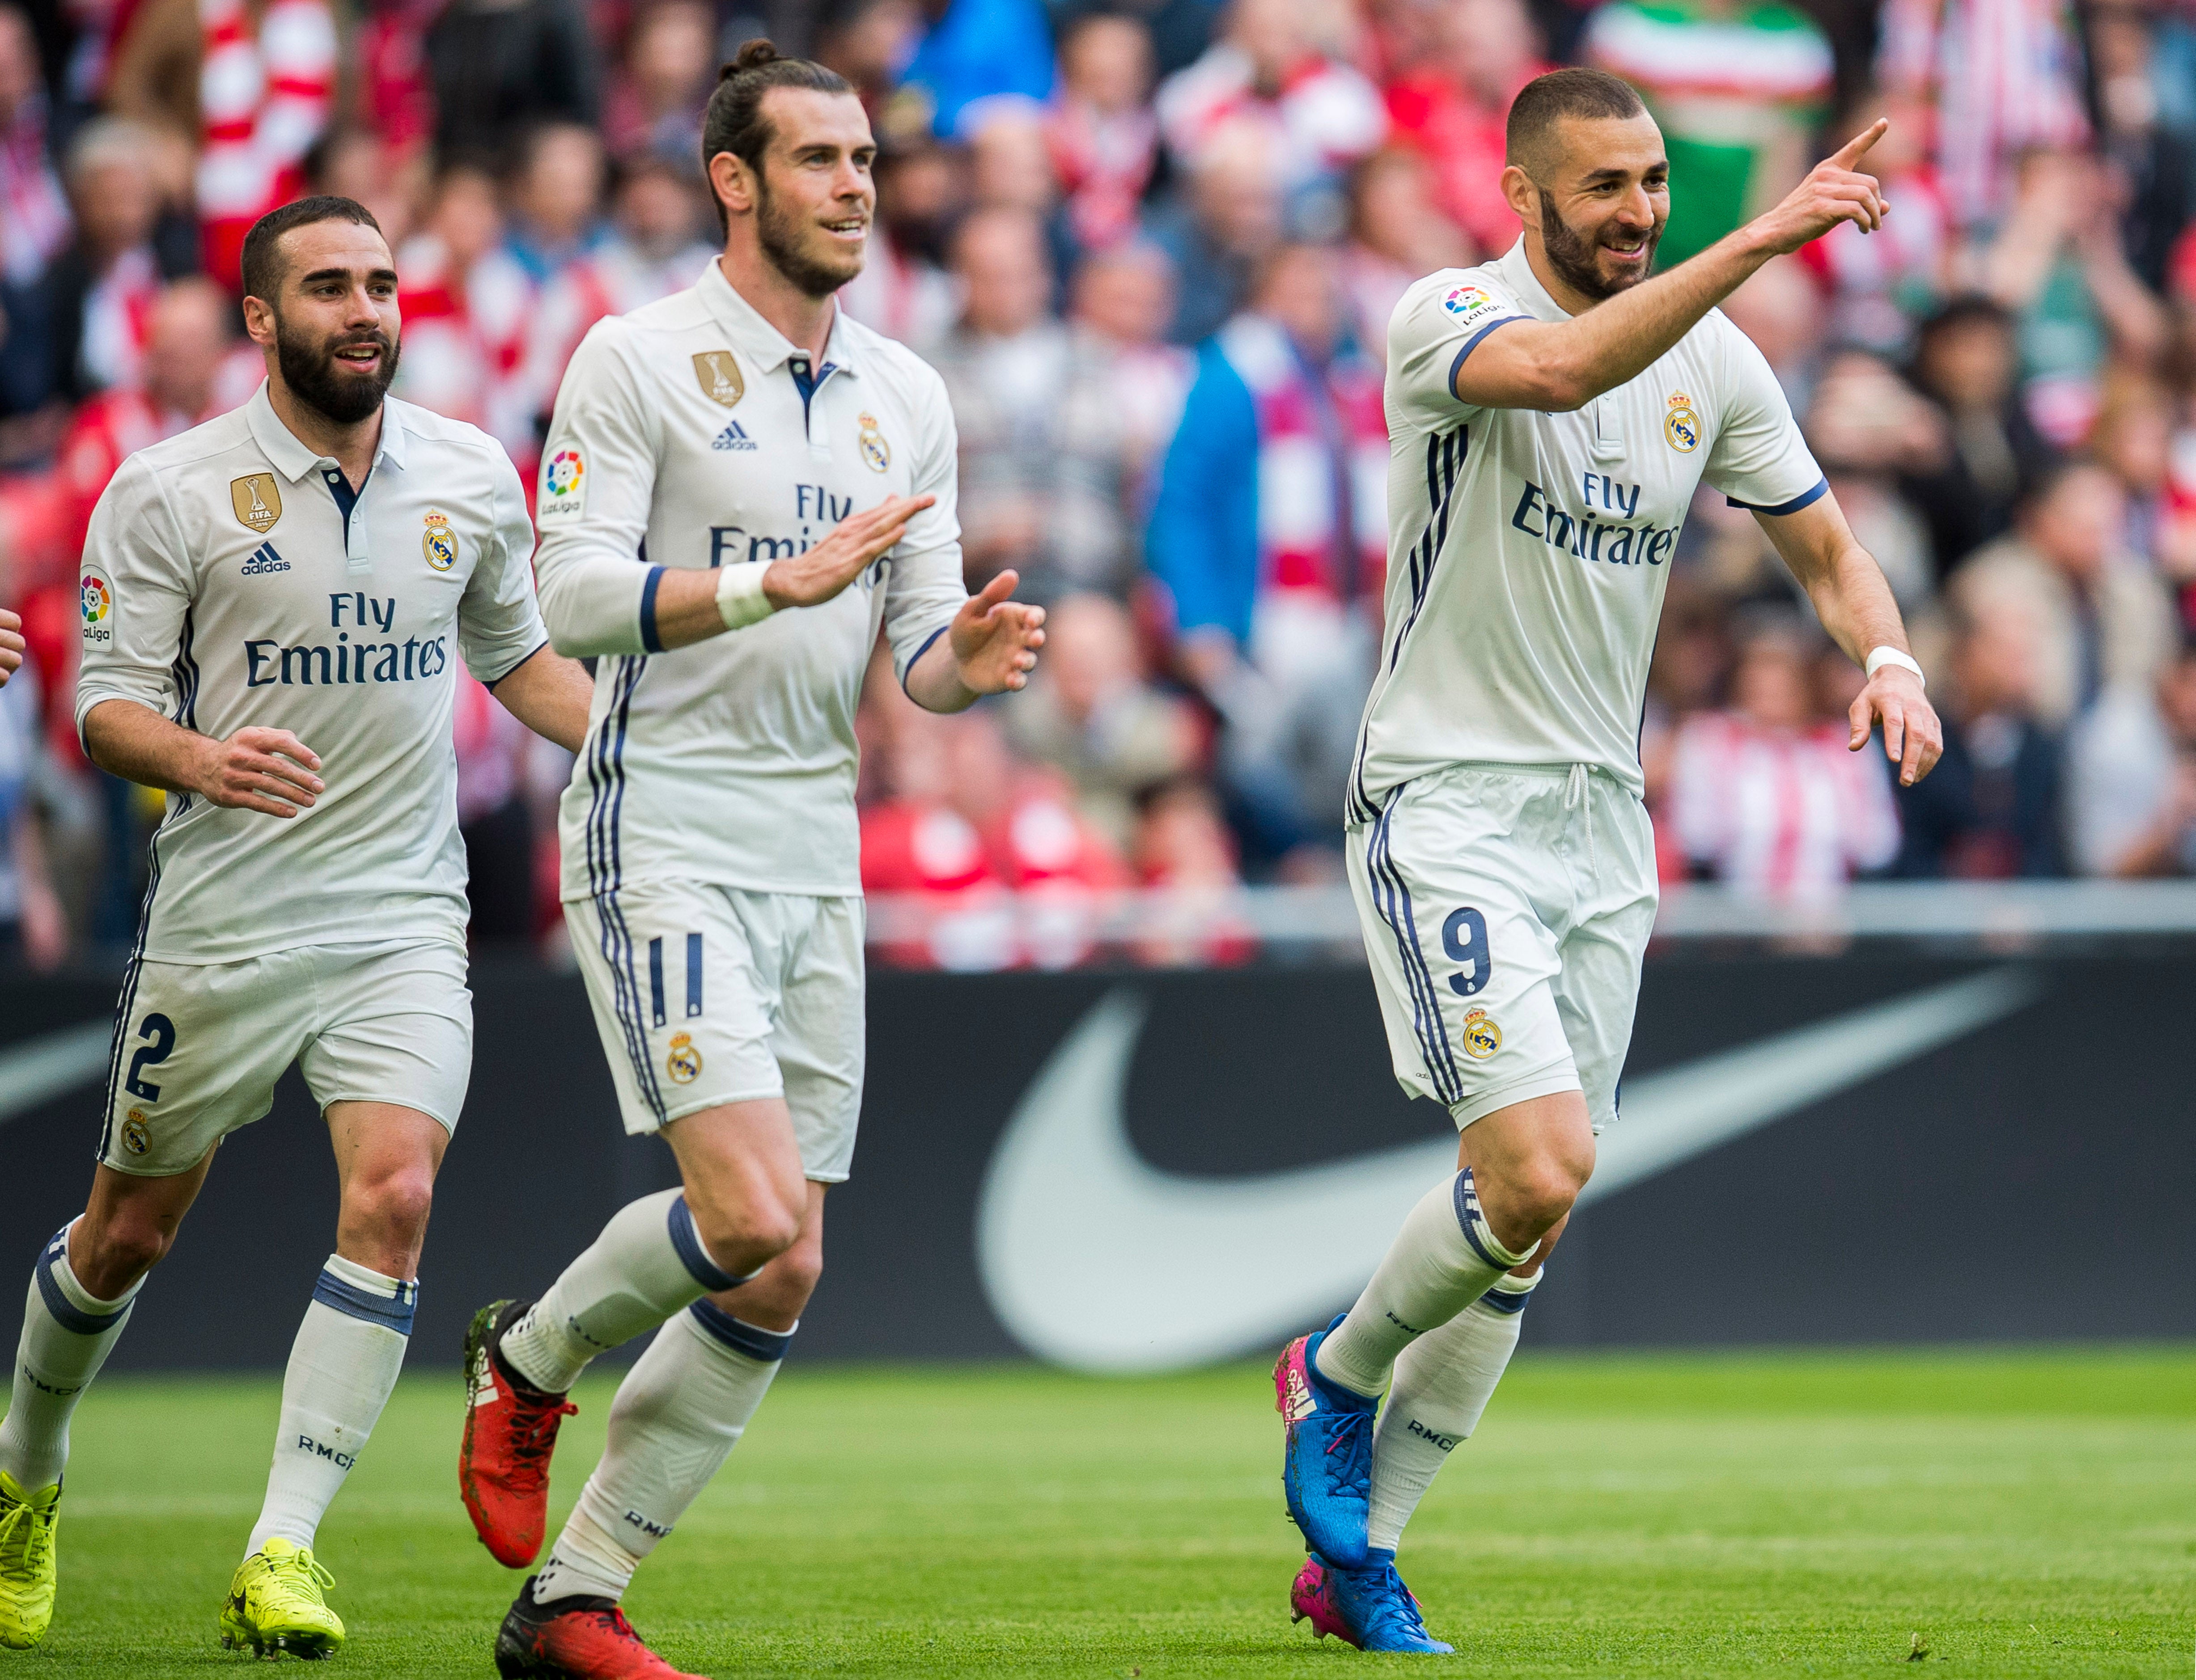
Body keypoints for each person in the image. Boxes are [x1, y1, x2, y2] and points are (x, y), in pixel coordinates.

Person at [1274, 70, 1942, 1654]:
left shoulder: (1716, 362)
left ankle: (1362, 1553)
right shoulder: (1445, 316)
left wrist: (1892, 656)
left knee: (1532, 1221)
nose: (1641, 210)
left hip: (1597, 823)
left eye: (1654, 182)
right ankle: (1341, 1374)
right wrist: (1769, 234)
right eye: (1606, 187)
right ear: (1522, 195)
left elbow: (1832, 551)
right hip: (1444, 797)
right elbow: (1568, 369)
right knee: (1539, 1165)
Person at [454, 44, 1045, 1680]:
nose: (858, 185)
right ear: (736, 179)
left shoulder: (904, 391)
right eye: (822, 161)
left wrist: (964, 661)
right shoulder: (636, 359)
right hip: (668, 818)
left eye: (866, 161)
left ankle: (570, 1603)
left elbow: (913, 641)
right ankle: (532, 1356)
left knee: (786, 1263)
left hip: (813, 831)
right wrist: (765, 587)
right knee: (749, 1205)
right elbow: (565, 593)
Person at [0, 195, 594, 1656]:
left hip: (402, 909)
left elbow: (518, 662)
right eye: (330, 287)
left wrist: (662, 759)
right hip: (223, 920)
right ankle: (24, 1469)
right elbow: (100, 706)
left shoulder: (468, 472)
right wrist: (202, 759)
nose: (367, 310)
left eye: (383, 284)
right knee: (124, 1235)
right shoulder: (168, 487)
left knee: (394, 1196)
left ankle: (282, 1547)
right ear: (261, 320)